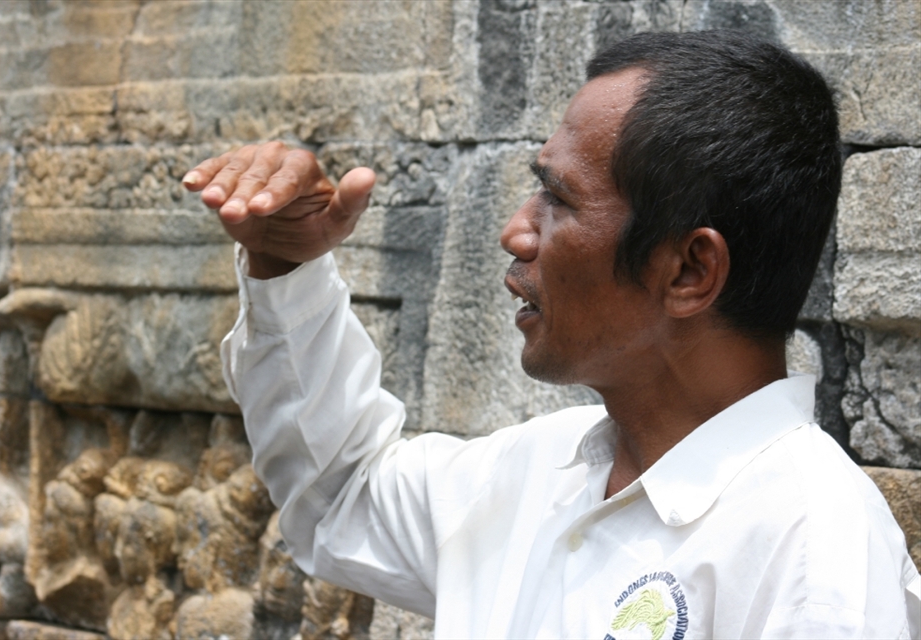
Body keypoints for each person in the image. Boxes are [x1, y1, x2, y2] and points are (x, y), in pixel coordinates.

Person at [183, 31, 920, 638]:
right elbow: (343, 495)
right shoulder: (535, 474)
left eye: (558, 198)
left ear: (690, 270)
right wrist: (285, 262)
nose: (516, 230)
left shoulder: (815, 554)